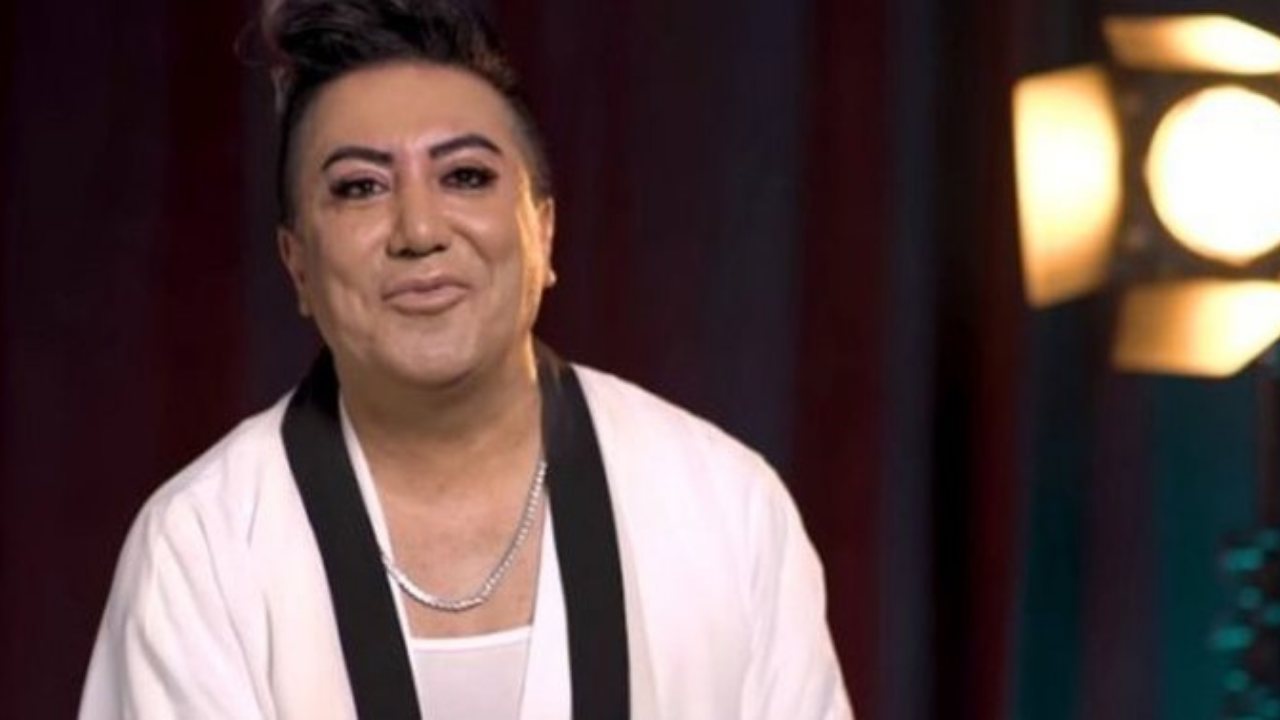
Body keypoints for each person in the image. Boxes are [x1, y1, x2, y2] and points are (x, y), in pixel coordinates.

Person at [78, 0, 853, 717]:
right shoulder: (202, 547)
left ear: (542, 231)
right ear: (297, 265)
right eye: (360, 187)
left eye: (466, 176)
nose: (419, 230)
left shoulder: (726, 509)